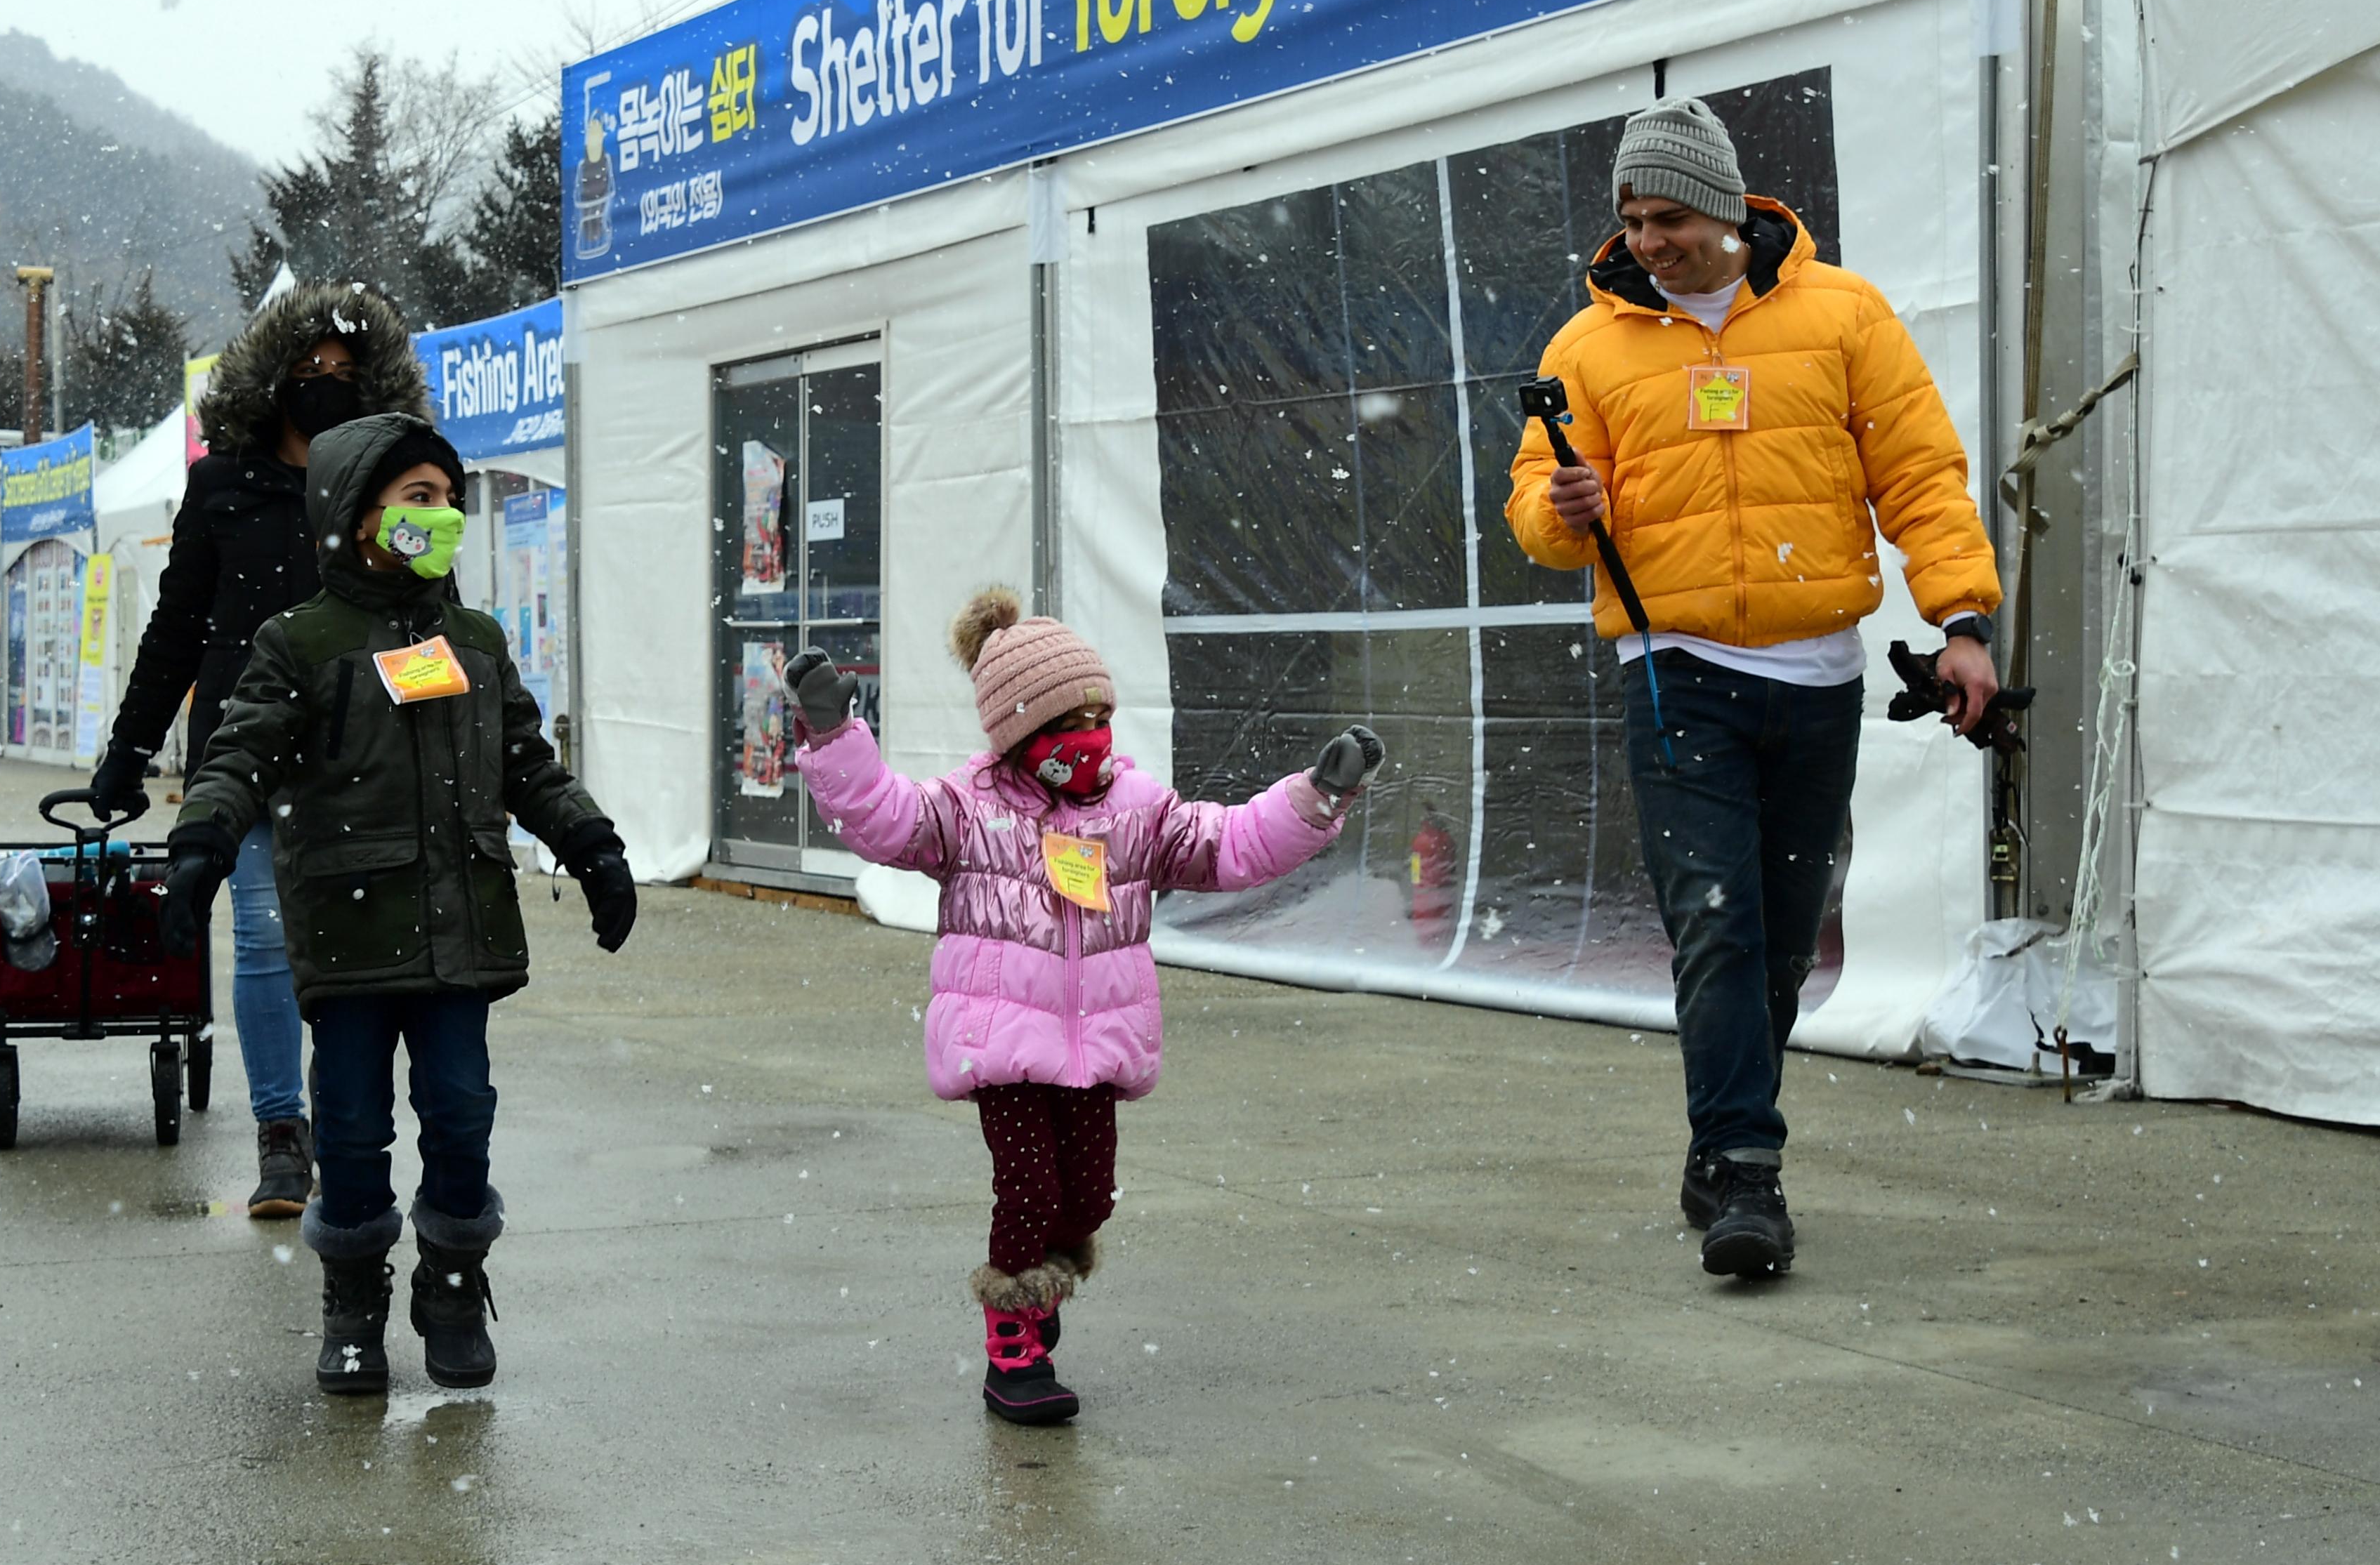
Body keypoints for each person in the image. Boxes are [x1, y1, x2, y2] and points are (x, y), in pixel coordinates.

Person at [1504, 97, 2003, 1281]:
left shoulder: (1842, 315)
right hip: (1674, 676)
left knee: (1780, 940)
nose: (1646, 242)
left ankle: (1717, 1137)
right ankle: (1744, 1170)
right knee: (1714, 923)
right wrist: (1558, 512)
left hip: (1816, 680)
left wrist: (1962, 623)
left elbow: (1919, 475)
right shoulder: (1586, 345)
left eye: (1667, 217)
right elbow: (1537, 499)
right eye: (1629, 220)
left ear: (1726, 210)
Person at [780, 590, 1381, 1425]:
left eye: (1101, 712)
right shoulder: (968, 807)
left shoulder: (1136, 810)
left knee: (1089, 1197)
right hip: (1005, 1042)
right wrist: (835, 737)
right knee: (1027, 1188)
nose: (1091, 734)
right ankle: (1011, 1347)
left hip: (1098, 1042)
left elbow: (1230, 842)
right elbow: (885, 819)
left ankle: (1040, 1281)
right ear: (1021, 733)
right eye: (1070, 718)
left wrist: (1314, 797)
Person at [156, 414, 637, 1396]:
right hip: (350, 937)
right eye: (420, 499)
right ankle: (352, 1304)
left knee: (461, 1115)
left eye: (450, 502)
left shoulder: (475, 639)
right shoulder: (302, 642)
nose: (443, 517)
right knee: (351, 1128)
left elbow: (523, 762)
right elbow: (239, 753)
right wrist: (201, 843)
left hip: (461, 934)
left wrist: (591, 844)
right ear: (354, 512)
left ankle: (454, 1287)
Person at [89, 280, 433, 1219]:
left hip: (362, 754)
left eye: (342, 372)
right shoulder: (223, 487)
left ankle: (346, 1120)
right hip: (246, 756)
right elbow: (176, 629)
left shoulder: (384, 492)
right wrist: (128, 752)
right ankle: (282, 1134)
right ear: (272, 381)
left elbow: (425, 622)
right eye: (307, 369)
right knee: (267, 942)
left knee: (361, 954)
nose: (322, 384)